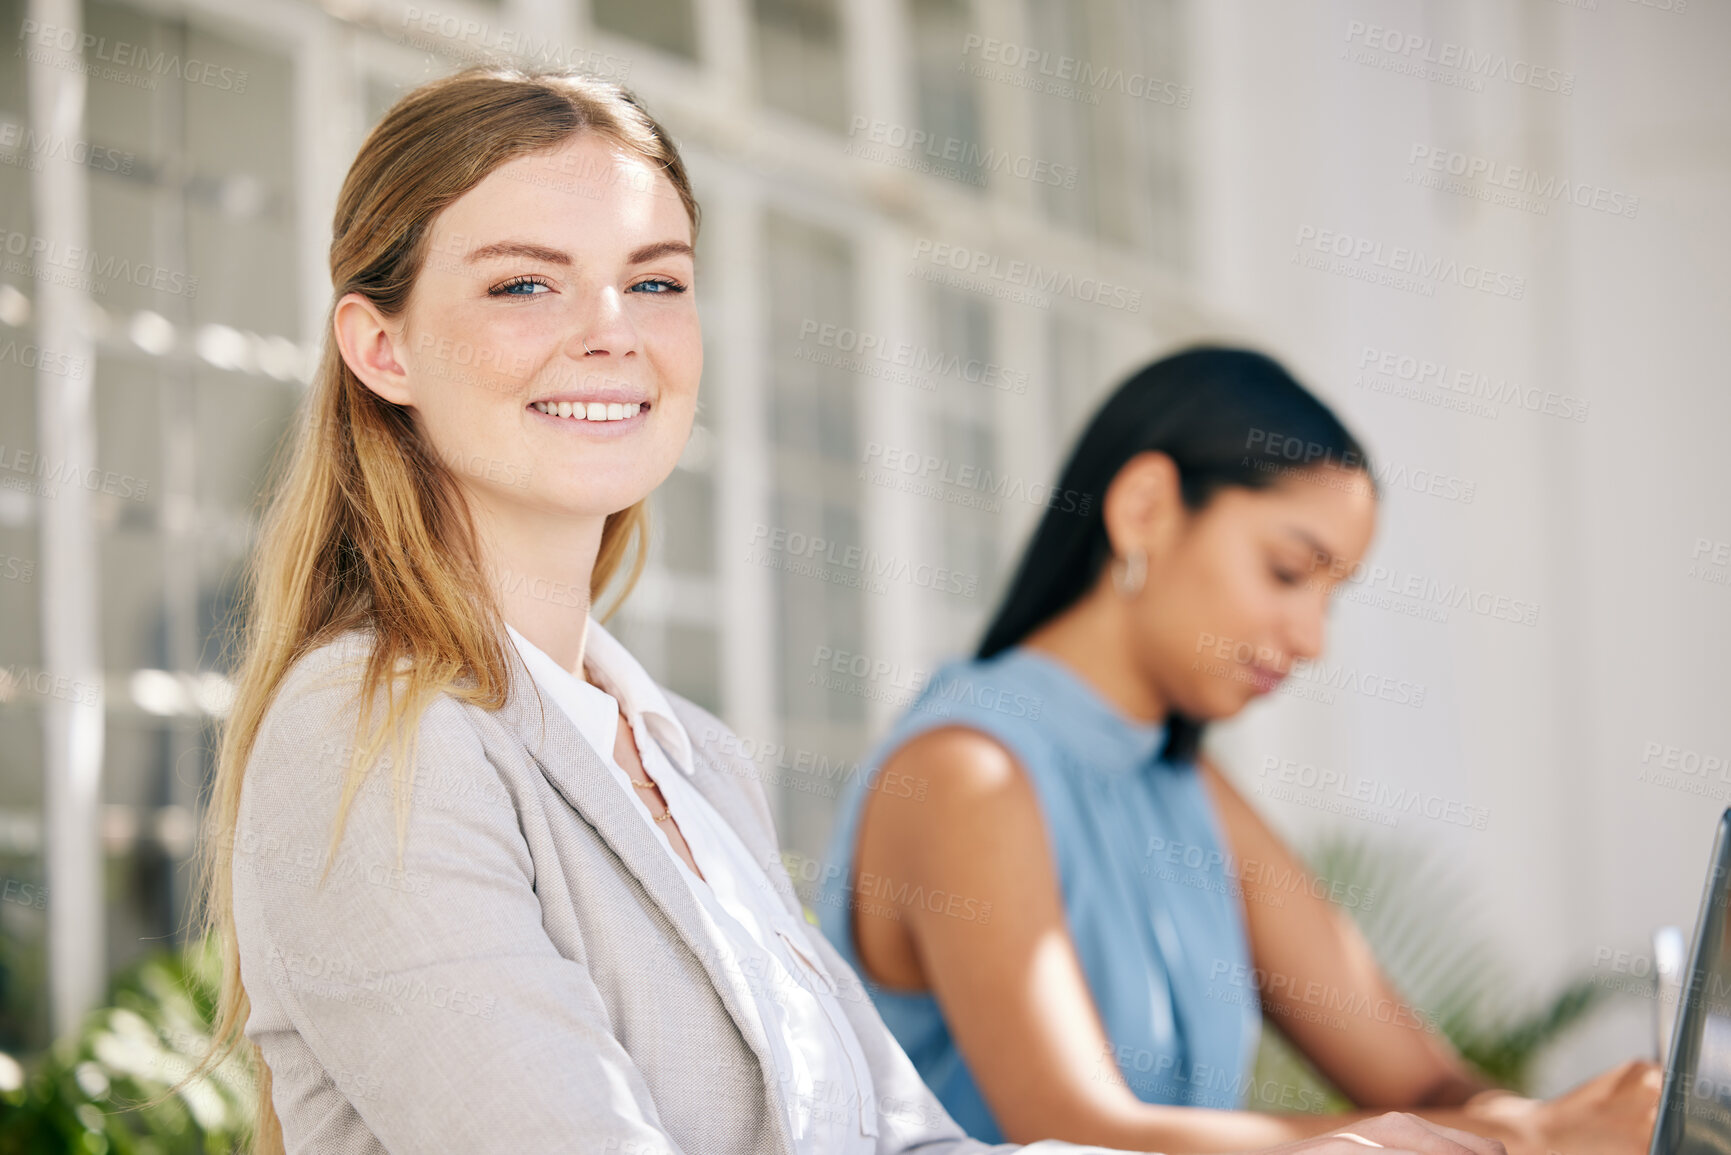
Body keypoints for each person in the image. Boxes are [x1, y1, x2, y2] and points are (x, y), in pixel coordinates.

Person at [179, 66, 1516, 1155]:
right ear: (382, 346)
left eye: (654, 278)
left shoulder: (691, 754)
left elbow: (907, 1146)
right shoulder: (370, 733)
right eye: (526, 281)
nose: (614, 330)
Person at [815, 348, 1662, 1154]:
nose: (1311, 637)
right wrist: (1530, 1138)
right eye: (1290, 571)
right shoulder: (966, 772)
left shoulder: (1179, 781)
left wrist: (1576, 1119)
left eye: (1334, 594)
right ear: (1144, 508)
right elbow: (1078, 1132)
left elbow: (1427, 1080)